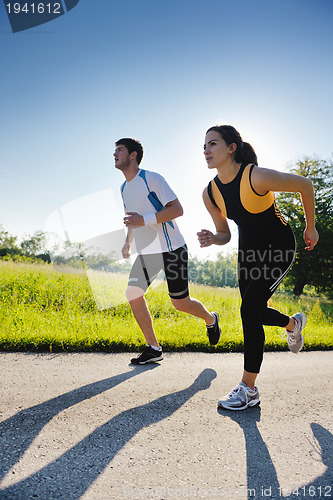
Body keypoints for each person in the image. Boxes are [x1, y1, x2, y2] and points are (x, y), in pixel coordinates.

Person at [198, 125, 319, 410]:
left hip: (278, 245)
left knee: (248, 309)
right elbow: (225, 233)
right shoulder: (210, 193)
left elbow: (305, 185)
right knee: (252, 311)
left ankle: (248, 388)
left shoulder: (255, 175)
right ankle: (293, 324)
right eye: (204, 146)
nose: (206, 150)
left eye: (212, 144)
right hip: (248, 253)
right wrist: (213, 239)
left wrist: (310, 227)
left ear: (231, 148)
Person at [114, 137, 221, 364]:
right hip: (149, 252)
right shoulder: (124, 188)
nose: (115, 154)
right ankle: (153, 347)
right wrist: (127, 242)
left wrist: (144, 220)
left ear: (133, 155)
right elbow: (134, 220)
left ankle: (211, 319)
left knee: (180, 302)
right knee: (132, 293)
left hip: (173, 248)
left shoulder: (151, 178)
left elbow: (177, 209)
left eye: (120, 150)